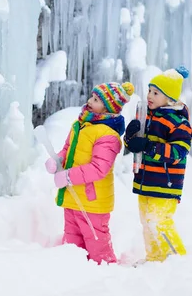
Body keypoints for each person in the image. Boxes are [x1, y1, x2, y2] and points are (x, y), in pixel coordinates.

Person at [45, 81, 135, 264]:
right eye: (92, 97)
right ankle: (73, 270)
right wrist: (57, 161)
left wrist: (68, 176)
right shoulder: (79, 125)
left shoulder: (108, 136)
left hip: (92, 199)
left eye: (96, 99)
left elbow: (99, 169)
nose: (89, 101)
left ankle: (106, 275)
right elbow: (67, 150)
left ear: (108, 108)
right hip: (71, 196)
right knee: (71, 240)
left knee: (97, 243)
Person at [124, 66, 192, 263]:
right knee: (147, 222)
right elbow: (136, 147)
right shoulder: (146, 116)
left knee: (158, 221)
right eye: (149, 91)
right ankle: (154, 258)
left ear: (169, 98)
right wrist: (130, 138)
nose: (150, 96)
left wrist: (149, 146)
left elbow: (179, 152)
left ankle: (177, 260)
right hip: (145, 181)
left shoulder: (179, 122)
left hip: (165, 184)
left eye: (156, 93)